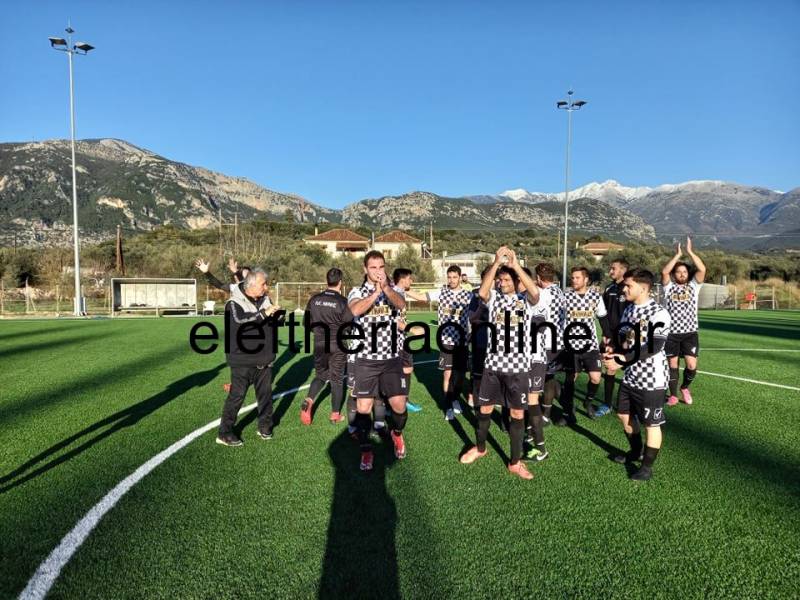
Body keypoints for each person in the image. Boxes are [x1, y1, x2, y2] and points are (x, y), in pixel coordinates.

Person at [460, 247, 540, 480]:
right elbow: (482, 293)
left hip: (518, 369)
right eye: (500, 279)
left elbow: (535, 293)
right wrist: (496, 263)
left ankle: (514, 462)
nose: (501, 283)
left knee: (517, 413)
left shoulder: (526, 301)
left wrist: (515, 266)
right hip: (493, 367)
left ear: (516, 282)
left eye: (506, 280)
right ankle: (480, 448)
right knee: (484, 409)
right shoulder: (494, 298)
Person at [603, 268, 671, 481]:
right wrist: (614, 350)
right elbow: (625, 340)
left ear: (643, 288)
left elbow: (653, 347)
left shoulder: (658, 313)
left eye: (628, 285)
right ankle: (635, 451)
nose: (624, 289)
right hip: (631, 375)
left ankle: (646, 467)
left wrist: (621, 360)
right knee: (623, 415)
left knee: (651, 423)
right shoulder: (629, 310)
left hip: (652, 379)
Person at [348, 251, 409, 471]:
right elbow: (355, 309)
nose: (377, 271)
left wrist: (385, 289)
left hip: (391, 359)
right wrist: (375, 293)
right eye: (373, 267)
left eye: (381, 267)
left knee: (399, 405)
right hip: (366, 360)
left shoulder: (393, 289)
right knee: (363, 408)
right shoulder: (357, 291)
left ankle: (397, 434)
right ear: (365, 269)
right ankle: (366, 451)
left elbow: (401, 304)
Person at [217, 268, 283, 446]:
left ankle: (265, 426)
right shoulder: (233, 303)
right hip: (242, 360)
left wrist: (278, 316)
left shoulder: (265, 299)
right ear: (251, 285)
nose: (266, 287)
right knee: (237, 397)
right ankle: (224, 432)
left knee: (265, 396)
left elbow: (273, 322)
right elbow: (241, 323)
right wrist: (264, 313)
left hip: (265, 359)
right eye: (263, 284)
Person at [405, 266, 473, 420]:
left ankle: (455, 399)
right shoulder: (441, 292)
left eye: (454, 277)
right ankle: (448, 406)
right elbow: (421, 297)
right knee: (447, 374)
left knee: (460, 376)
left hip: (462, 341)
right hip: (446, 341)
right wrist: (403, 288)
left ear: (460, 277)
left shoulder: (468, 295)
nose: (451, 280)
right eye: (449, 277)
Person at [301, 268, 353, 425]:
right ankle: (335, 414)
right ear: (340, 282)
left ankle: (309, 400)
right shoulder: (343, 301)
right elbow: (348, 327)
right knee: (337, 379)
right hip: (337, 345)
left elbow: (306, 323)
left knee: (320, 376)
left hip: (319, 343)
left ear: (327, 281)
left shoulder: (314, 299)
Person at [560, 266, 610, 424]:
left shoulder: (595, 296)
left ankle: (588, 402)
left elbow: (603, 317)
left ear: (586, 279)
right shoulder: (565, 297)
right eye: (572, 278)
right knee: (571, 378)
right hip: (571, 346)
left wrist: (607, 335)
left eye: (577, 278)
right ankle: (568, 410)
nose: (574, 280)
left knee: (596, 378)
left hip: (590, 345)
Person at [661, 238, 706, 406]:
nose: (682, 274)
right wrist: (677, 255)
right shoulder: (668, 288)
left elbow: (702, 269)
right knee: (672, 365)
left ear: (688, 274)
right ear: (674, 274)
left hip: (690, 333)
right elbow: (664, 272)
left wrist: (690, 252)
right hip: (671, 333)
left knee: (692, 365)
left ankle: (685, 387)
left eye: (684, 272)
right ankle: (673, 395)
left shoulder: (694, 286)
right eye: (678, 272)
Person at [596, 258, 629, 417]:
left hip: (628, 336)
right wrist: (606, 334)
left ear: (623, 270)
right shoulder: (609, 288)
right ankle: (607, 404)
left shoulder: (629, 288)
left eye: (613, 269)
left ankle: (631, 406)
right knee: (609, 368)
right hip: (610, 336)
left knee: (631, 369)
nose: (610, 272)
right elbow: (602, 313)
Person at [534, 263, 565, 426]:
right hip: (558, 342)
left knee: (544, 379)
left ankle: (544, 414)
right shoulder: (559, 291)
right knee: (550, 377)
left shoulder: (542, 294)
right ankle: (558, 411)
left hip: (545, 343)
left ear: (538, 278)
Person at [392, 268, 423, 413]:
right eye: (409, 278)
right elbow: (393, 319)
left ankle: (404, 399)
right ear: (403, 279)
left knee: (408, 368)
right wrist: (413, 330)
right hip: (394, 340)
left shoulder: (400, 291)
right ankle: (394, 403)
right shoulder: (394, 294)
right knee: (394, 372)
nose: (412, 280)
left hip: (402, 338)